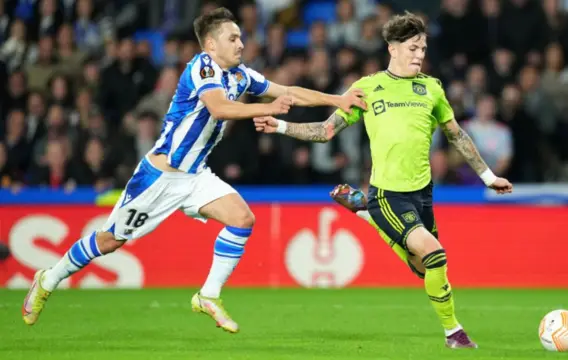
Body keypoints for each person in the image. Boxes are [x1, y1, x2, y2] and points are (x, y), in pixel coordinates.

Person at [22, 8, 366, 332]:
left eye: (241, 37)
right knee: (111, 240)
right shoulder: (202, 68)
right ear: (212, 44)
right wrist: (268, 107)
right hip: (159, 177)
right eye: (233, 38)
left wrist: (339, 100)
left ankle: (208, 295)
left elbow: (289, 91)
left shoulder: (241, 75)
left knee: (242, 218)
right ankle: (48, 279)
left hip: (195, 175)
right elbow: (217, 108)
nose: (241, 44)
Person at [254, 11, 512, 349]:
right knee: (436, 255)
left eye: (423, 48)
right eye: (413, 48)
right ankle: (455, 334)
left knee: (424, 271)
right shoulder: (367, 87)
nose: (420, 54)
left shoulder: (431, 88)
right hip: (389, 195)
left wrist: (488, 176)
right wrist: (282, 126)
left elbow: (457, 134)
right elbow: (326, 130)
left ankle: (365, 214)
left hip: (423, 195)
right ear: (393, 48)